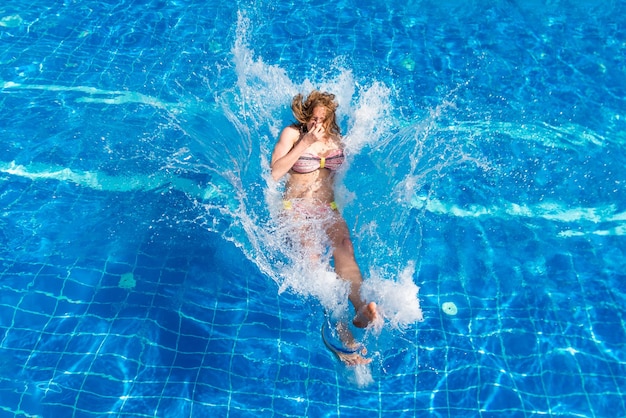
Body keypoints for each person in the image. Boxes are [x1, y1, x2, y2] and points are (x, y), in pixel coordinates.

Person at [270, 90, 379, 366]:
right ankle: (340, 332)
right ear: (306, 117)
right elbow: (275, 172)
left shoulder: (336, 140)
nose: (318, 125)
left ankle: (361, 309)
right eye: (313, 119)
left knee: (345, 249)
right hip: (294, 210)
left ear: (331, 120)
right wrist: (306, 141)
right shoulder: (292, 135)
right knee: (314, 256)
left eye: (324, 120)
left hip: (326, 209)